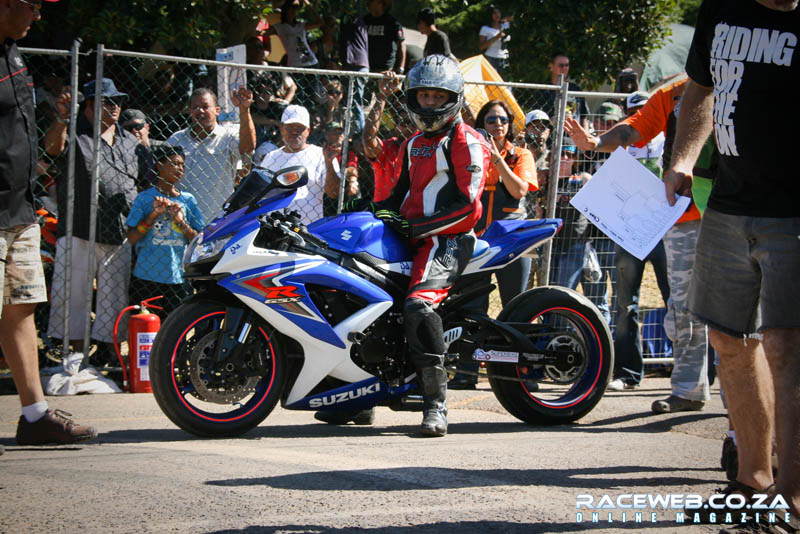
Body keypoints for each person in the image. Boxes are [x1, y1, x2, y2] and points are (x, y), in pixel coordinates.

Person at [663, 1, 799, 530]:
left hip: (793, 211)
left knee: (788, 345)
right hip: (728, 203)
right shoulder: (721, 7)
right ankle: (753, 483)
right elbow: (700, 86)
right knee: (729, 340)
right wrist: (682, 158)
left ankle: (792, 495)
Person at [564, 76, 713, 411]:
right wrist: (594, 142)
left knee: (742, 310)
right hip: (683, 216)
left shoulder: (748, 81)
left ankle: (748, 403)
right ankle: (689, 390)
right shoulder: (674, 92)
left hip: (736, 211)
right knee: (682, 307)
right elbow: (633, 130)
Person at [1, 0, 97, 446]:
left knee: (20, 309)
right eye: (32, 6)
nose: (37, 15)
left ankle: (35, 415)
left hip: (19, 209)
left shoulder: (13, 53)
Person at [44, 78, 146, 359]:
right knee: (73, 298)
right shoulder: (75, 133)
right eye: (107, 101)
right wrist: (62, 120)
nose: (115, 106)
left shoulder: (129, 141)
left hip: (118, 230)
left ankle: (112, 362)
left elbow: (144, 177)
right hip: (78, 229)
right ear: (89, 106)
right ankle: (74, 359)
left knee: (114, 300)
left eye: (117, 101)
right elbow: (52, 149)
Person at [448, 99, 538, 390]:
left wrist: (497, 157)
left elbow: (519, 189)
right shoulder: (471, 155)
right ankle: (466, 372)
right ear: (481, 124)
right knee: (471, 306)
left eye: (502, 120)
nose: (497, 125)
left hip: (512, 241)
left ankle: (519, 375)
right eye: (490, 120)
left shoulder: (522, 155)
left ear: (510, 125)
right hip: (476, 240)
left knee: (516, 308)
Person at [126, 145, 203, 316]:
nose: (180, 169)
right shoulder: (145, 198)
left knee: (172, 329)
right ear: (159, 166)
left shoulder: (188, 200)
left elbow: (198, 240)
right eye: (175, 163)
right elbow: (131, 238)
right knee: (145, 328)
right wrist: (153, 215)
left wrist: (181, 222)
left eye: (182, 165)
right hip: (146, 276)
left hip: (177, 277)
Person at [165, 87, 255, 223]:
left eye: (205, 107)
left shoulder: (228, 136)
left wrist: (244, 109)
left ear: (217, 110)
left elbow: (248, 147)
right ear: (190, 111)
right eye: (195, 107)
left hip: (216, 220)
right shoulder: (176, 140)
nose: (200, 111)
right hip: (181, 219)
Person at [549, 144, 612, 325]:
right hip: (551, 246)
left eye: (570, 154)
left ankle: (605, 338)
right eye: (562, 153)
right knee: (555, 298)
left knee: (594, 299)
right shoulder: (548, 179)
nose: (566, 157)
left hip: (578, 245)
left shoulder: (582, 178)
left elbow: (602, 200)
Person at [256, 104, 327, 224]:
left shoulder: (320, 155)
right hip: (274, 230)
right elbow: (259, 192)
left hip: (309, 230)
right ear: (281, 129)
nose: (294, 132)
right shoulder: (270, 157)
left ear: (308, 131)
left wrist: (330, 162)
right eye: (290, 127)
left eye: (299, 128)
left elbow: (334, 193)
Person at [361, 71, 416, 202]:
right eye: (401, 122)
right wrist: (382, 96)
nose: (405, 127)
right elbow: (368, 139)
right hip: (385, 213)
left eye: (410, 122)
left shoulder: (427, 148)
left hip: (415, 214)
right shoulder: (389, 147)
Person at [262, 0, 323, 109]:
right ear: (285, 9)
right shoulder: (279, 27)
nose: (293, 10)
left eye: (296, 8)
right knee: (300, 95)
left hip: (311, 63)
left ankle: (312, 118)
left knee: (313, 95)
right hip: (296, 66)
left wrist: (308, 5)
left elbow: (319, 22)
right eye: (291, 7)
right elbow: (262, 33)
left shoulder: (301, 25)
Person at [338, 10, 369, 135]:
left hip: (358, 67)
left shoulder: (357, 23)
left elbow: (348, 19)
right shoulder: (359, 27)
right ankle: (356, 131)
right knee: (353, 102)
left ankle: (361, 134)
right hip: (358, 66)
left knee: (356, 103)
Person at [541, 53, 590, 129]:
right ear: (551, 66)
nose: (564, 68)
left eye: (566, 65)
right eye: (561, 65)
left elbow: (583, 117)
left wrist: (586, 134)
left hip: (573, 136)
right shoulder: (544, 90)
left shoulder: (576, 89)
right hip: (550, 136)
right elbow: (538, 119)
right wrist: (552, 121)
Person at [321, 120, 359, 217]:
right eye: (334, 133)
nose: (338, 135)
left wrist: (352, 181)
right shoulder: (321, 151)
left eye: (340, 133)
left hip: (343, 187)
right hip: (324, 188)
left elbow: (352, 168)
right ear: (327, 136)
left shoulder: (348, 152)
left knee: (354, 191)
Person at [364, 0, 406, 74]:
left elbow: (401, 45)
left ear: (380, 3)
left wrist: (401, 67)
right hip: (367, 68)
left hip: (386, 70)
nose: (368, 4)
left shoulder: (392, 22)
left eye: (371, 1)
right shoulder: (364, 21)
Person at [478, 5, 511, 78]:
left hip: (505, 58)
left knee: (506, 82)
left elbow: (516, 17)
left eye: (498, 12)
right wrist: (496, 37)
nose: (497, 15)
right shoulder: (485, 28)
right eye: (494, 13)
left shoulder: (505, 26)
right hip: (491, 58)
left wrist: (505, 19)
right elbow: (481, 46)